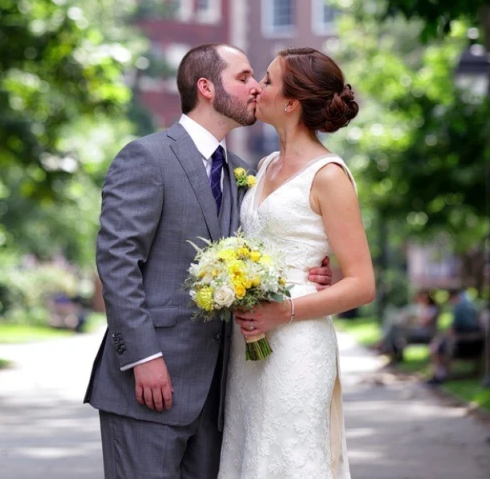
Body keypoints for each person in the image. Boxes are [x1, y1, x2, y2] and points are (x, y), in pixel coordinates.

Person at [84, 44, 333, 479]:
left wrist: (311, 270)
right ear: (206, 87)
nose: (256, 87)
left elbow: (264, 247)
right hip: (148, 385)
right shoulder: (147, 156)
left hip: (221, 395)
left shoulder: (245, 174)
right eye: (244, 77)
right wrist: (142, 357)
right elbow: (117, 261)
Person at [218, 47, 375, 479]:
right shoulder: (265, 165)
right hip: (248, 345)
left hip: (297, 347)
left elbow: (362, 283)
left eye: (266, 80)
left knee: (287, 459)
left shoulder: (328, 175)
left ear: (291, 102)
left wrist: (282, 311)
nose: (257, 88)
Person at [427, 289, 482, 384]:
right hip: (472, 343)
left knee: (435, 347)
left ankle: (440, 375)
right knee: (438, 346)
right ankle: (440, 374)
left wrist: (445, 335)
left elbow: (455, 328)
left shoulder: (459, 307)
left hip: (463, 344)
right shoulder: (469, 305)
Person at [377, 290, 439, 361]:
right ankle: (389, 351)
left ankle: (384, 348)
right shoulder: (421, 307)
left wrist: (414, 320)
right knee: (396, 330)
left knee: (396, 330)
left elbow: (424, 322)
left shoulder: (432, 309)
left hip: (424, 332)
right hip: (417, 330)